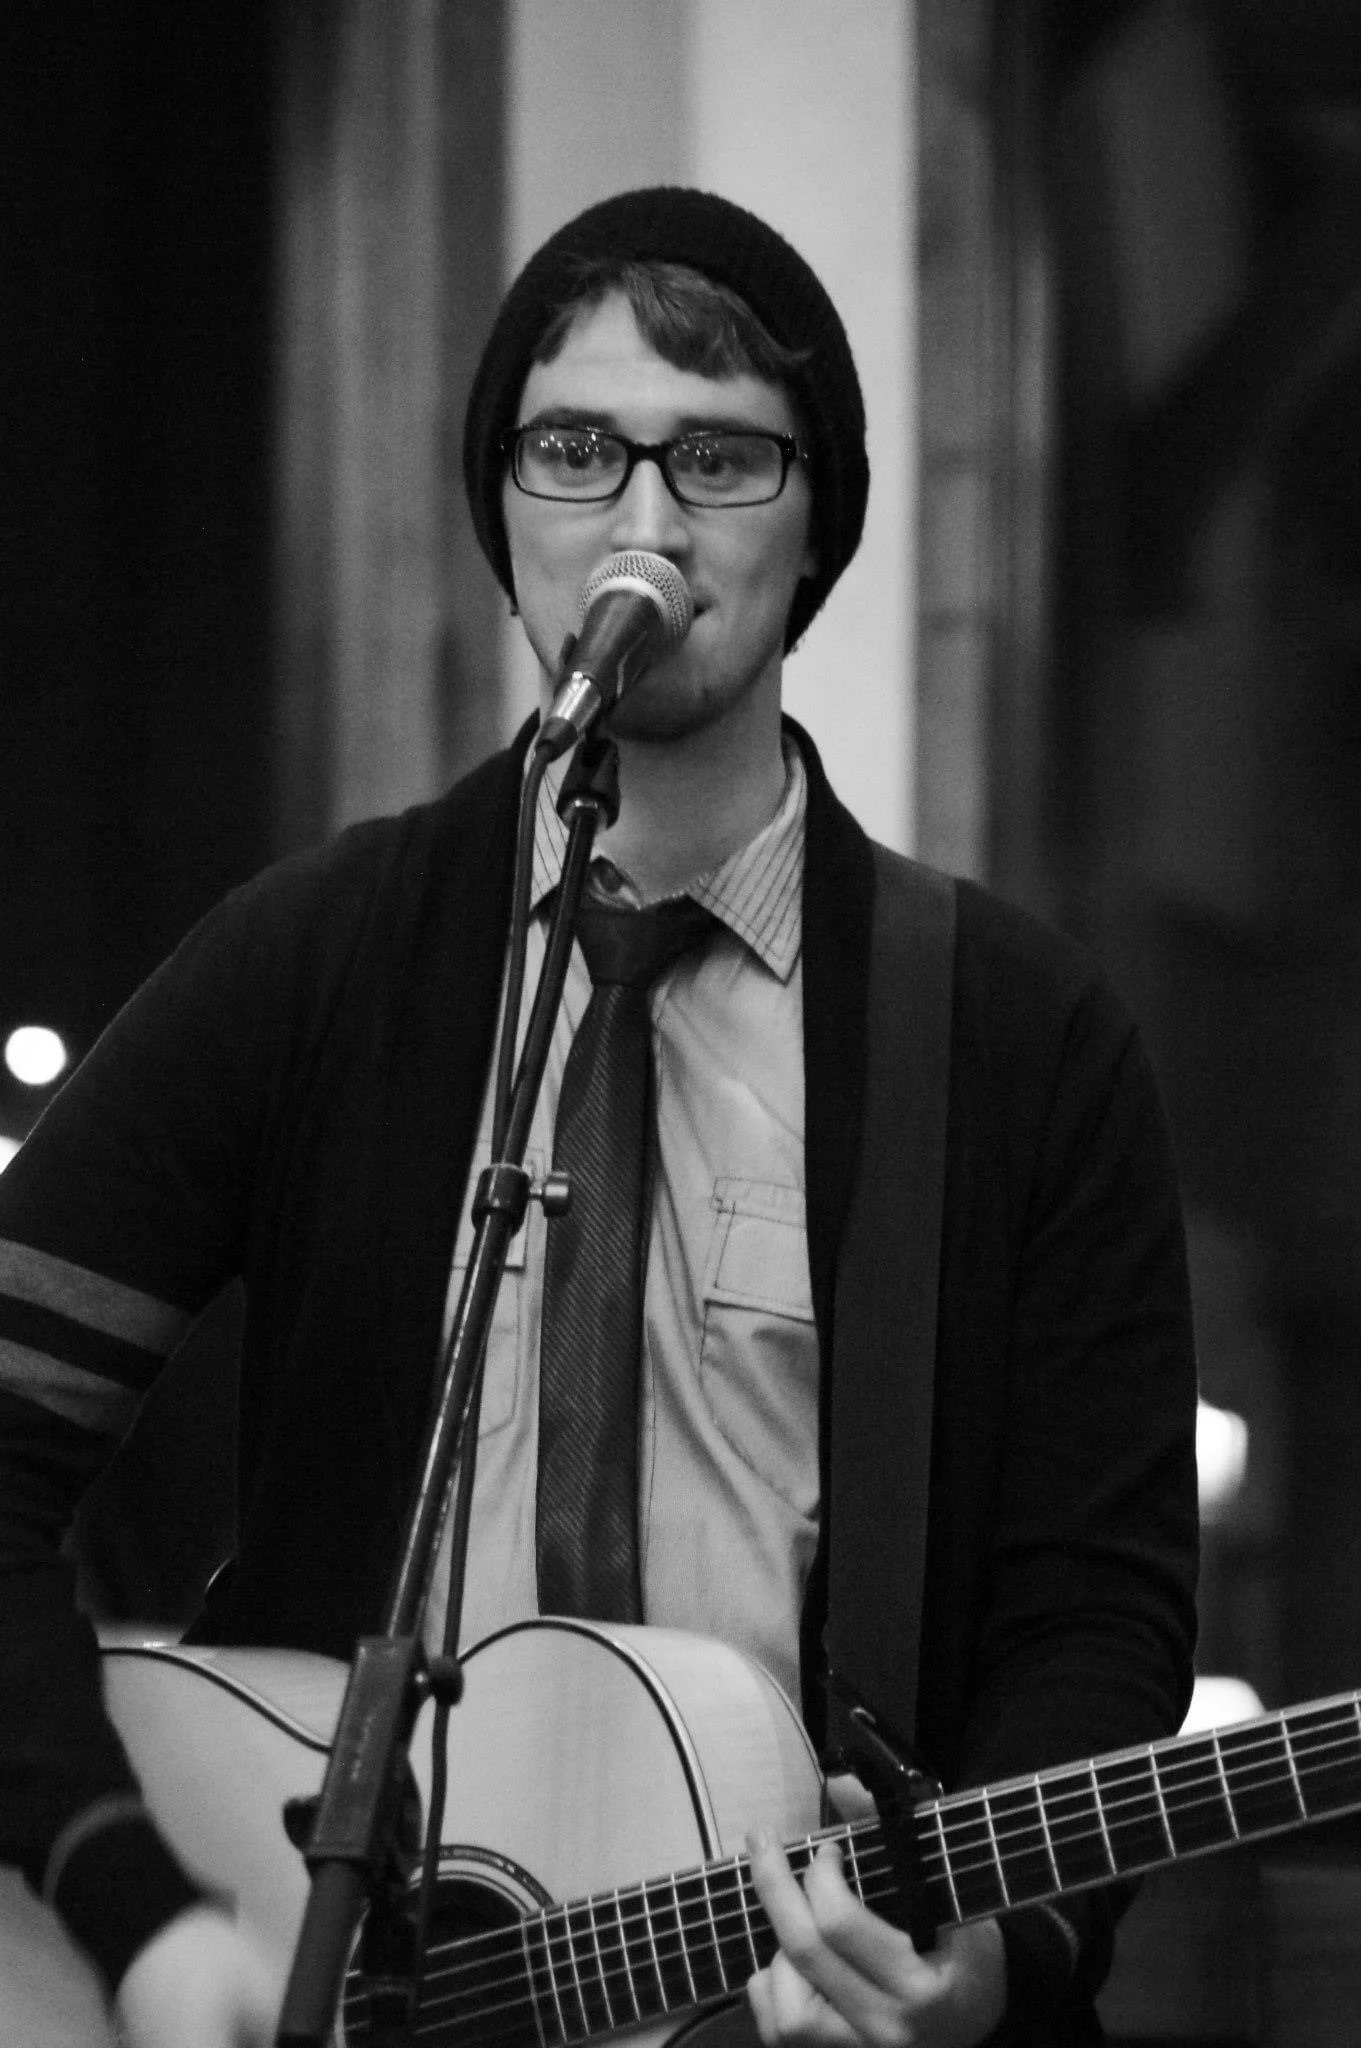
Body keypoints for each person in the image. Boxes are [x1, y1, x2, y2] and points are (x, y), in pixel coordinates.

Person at [0, 187, 1199, 2047]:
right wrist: (135, 1907)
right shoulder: (321, 958)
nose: (643, 522)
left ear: (820, 530)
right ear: (504, 516)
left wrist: (994, 1954)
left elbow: (1098, 1622)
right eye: (576, 451)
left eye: (718, 455)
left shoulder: (1020, 1040)